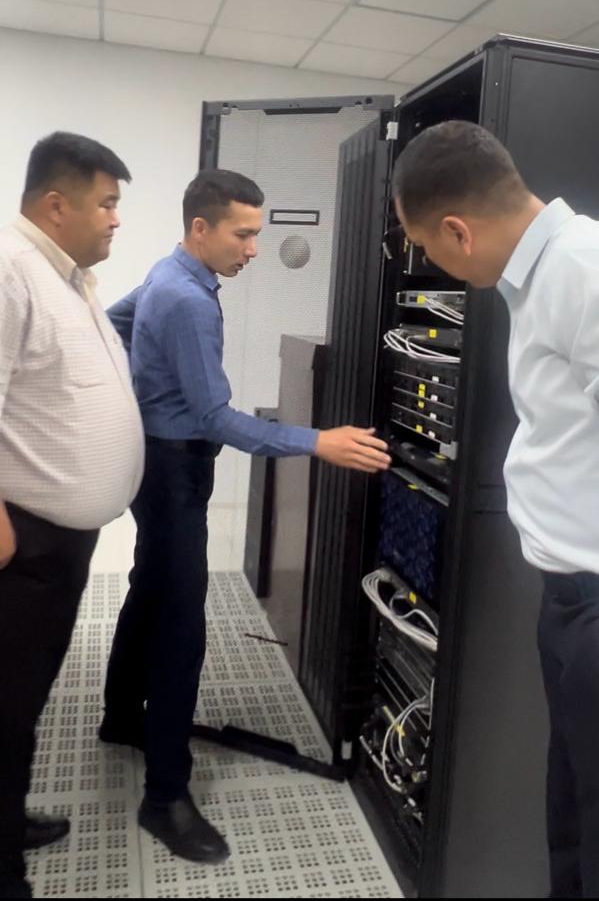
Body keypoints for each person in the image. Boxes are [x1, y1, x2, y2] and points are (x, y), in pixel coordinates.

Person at [99, 168, 391, 864]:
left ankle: (122, 718)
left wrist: (136, 395)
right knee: (181, 627)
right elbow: (215, 416)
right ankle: (164, 797)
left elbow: (111, 324)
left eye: (257, 234)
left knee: (150, 588)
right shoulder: (188, 300)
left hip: (153, 463)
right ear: (200, 228)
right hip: (174, 471)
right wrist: (316, 442)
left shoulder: (168, 273)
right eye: (243, 234)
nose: (254, 249)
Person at [393, 119, 599, 900]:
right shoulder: (543, 279)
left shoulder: (581, 270)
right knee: (571, 808)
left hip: (594, 605)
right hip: (568, 601)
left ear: (457, 230)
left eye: (427, 247)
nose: (433, 264)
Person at [0, 132, 144, 900]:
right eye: (107, 203)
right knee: (4, 708)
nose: (116, 218)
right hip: (23, 543)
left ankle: (6, 820)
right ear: (57, 206)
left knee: (22, 701)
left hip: (58, 541)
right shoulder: (10, 271)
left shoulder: (68, 276)